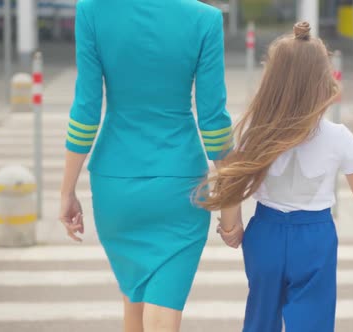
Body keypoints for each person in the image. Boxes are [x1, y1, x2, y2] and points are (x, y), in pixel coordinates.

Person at [197, 22, 353, 332]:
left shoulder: (256, 131)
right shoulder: (338, 137)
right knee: (312, 321)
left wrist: (231, 227)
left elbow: (232, 180)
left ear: (272, 81)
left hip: (264, 233)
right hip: (315, 237)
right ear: (324, 81)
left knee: (260, 317)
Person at [58, 0, 232, 331]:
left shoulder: (92, 11)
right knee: (164, 303)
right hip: (180, 185)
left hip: (115, 185)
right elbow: (214, 120)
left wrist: (67, 189)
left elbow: (86, 109)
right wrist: (232, 201)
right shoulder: (206, 19)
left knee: (134, 298)